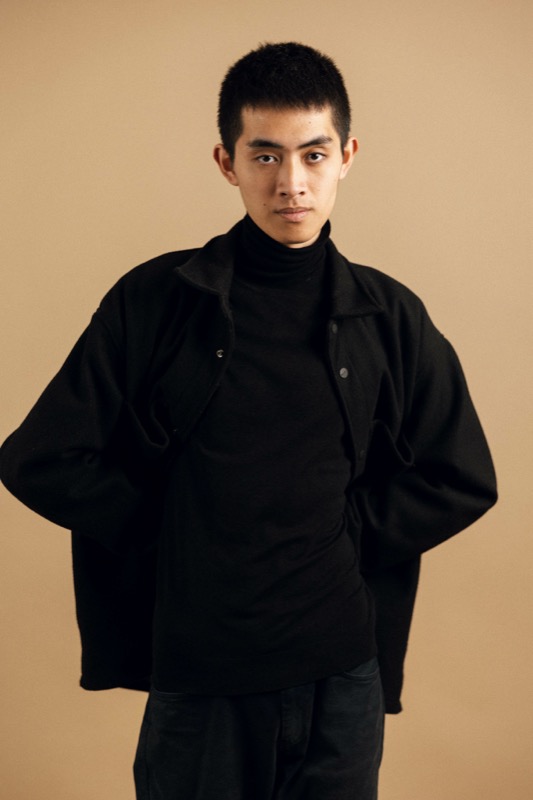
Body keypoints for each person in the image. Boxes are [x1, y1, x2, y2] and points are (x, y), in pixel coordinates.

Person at [0, 42, 497, 800]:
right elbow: (38, 458)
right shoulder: (154, 301)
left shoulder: (389, 316)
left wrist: (350, 532)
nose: (290, 183)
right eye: (265, 156)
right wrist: (170, 530)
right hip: (201, 679)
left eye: (313, 154)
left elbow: (462, 475)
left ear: (346, 156)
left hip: (342, 678)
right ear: (226, 163)